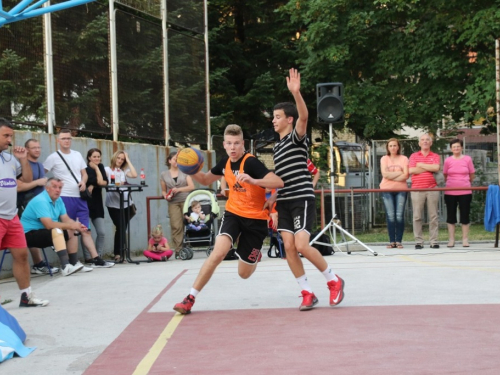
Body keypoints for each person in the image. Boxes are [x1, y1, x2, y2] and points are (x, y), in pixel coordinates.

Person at [173, 124, 283, 314]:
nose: (233, 148)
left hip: (255, 220)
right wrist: (189, 168)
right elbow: (206, 179)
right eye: (230, 143)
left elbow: (278, 182)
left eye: (237, 143)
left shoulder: (251, 163)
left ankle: (254, 255)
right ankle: (190, 298)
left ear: (243, 144)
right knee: (218, 253)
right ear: (224, 144)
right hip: (233, 214)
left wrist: (254, 180)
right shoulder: (225, 162)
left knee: (244, 274)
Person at [264, 68, 345, 311]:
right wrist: (272, 198)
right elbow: (283, 178)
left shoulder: (296, 137)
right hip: (285, 201)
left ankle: (333, 280)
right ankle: (307, 291)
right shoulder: (277, 148)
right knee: (288, 247)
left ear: (288, 119)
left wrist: (296, 94)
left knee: (300, 245)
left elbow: (304, 117)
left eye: (277, 116)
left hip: (302, 199)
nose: (273, 120)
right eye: (273, 117)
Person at [43, 128, 113, 267]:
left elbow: (84, 173)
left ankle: (96, 259)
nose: (66, 141)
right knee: (70, 230)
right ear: (58, 140)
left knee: (84, 229)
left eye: (68, 138)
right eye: (63, 138)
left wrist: (83, 181)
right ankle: (72, 262)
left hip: (80, 197)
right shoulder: (53, 157)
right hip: (64, 197)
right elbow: (42, 173)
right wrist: (52, 188)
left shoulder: (77, 154)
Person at [0, 118, 48, 307]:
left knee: (21, 256)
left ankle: (26, 297)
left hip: (12, 217)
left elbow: (26, 178)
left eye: (11, 135)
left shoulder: (9, 158)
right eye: (5, 135)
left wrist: (22, 159)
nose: (9, 139)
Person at [20, 178, 91, 276]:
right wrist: (71, 225)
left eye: (60, 187)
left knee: (72, 229)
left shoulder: (59, 200)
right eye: (54, 187)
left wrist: (77, 225)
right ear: (47, 188)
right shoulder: (40, 200)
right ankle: (65, 266)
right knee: (57, 230)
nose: (58, 190)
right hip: (27, 234)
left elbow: (66, 218)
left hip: (44, 231)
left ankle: (74, 263)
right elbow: (48, 225)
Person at [16, 138, 58, 274]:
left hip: (42, 204)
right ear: (27, 150)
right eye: (34, 148)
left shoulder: (40, 165)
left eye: (39, 147)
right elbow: (19, 187)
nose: (37, 150)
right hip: (25, 205)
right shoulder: (21, 164)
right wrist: (38, 182)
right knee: (33, 231)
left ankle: (42, 261)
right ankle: (39, 262)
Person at [409, 133, 441, 249]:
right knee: (417, 216)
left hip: (432, 188)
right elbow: (412, 170)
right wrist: (428, 167)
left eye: (427, 140)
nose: (425, 141)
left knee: (433, 216)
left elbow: (436, 168)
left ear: (431, 142)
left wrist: (421, 165)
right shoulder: (413, 156)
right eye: (422, 140)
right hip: (417, 189)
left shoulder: (435, 156)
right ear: (419, 143)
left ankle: (434, 241)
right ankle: (418, 241)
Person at [104, 150, 137, 262]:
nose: (120, 161)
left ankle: (120, 253)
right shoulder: (107, 170)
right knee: (120, 226)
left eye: (122, 159)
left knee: (122, 228)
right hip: (113, 203)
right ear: (114, 158)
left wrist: (128, 160)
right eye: (118, 158)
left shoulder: (124, 170)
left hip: (126, 203)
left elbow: (134, 174)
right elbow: (103, 182)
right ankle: (120, 253)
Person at [160, 152, 194, 259]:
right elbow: (163, 191)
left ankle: (187, 245)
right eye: (175, 159)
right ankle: (178, 249)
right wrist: (166, 196)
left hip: (185, 200)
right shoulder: (164, 174)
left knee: (188, 223)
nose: (176, 161)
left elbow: (191, 186)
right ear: (169, 161)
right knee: (176, 225)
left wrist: (178, 189)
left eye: (178, 159)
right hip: (173, 202)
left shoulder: (185, 172)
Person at [443, 139, 475, 247]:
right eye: (454, 147)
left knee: (465, 215)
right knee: (451, 216)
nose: (456, 148)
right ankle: (451, 239)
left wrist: (465, 183)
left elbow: (472, 174)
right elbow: (445, 174)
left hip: (465, 191)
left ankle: (465, 239)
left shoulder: (467, 159)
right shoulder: (447, 160)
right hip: (450, 192)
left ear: (461, 147)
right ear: (451, 148)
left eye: (458, 146)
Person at [380, 138, 409, 249]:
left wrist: (393, 175)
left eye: (395, 145)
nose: (393, 147)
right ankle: (392, 241)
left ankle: (399, 241)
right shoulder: (384, 159)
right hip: (386, 189)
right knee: (391, 216)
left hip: (401, 189)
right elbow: (385, 174)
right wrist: (399, 173)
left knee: (399, 215)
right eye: (390, 146)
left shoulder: (404, 158)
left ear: (398, 147)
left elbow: (406, 175)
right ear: (388, 147)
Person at [82, 148, 108, 263]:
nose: (97, 158)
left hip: (97, 204)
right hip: (85, 203)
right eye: (94, 157)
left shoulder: (101, 167)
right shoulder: (84, 169)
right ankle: (88, 257)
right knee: (86, 231)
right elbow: (94, 182)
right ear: (89, 158)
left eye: (98, 156)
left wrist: (97, 168)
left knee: (101, 232)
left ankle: (98, 256)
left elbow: (103, 182)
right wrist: (95, 183)